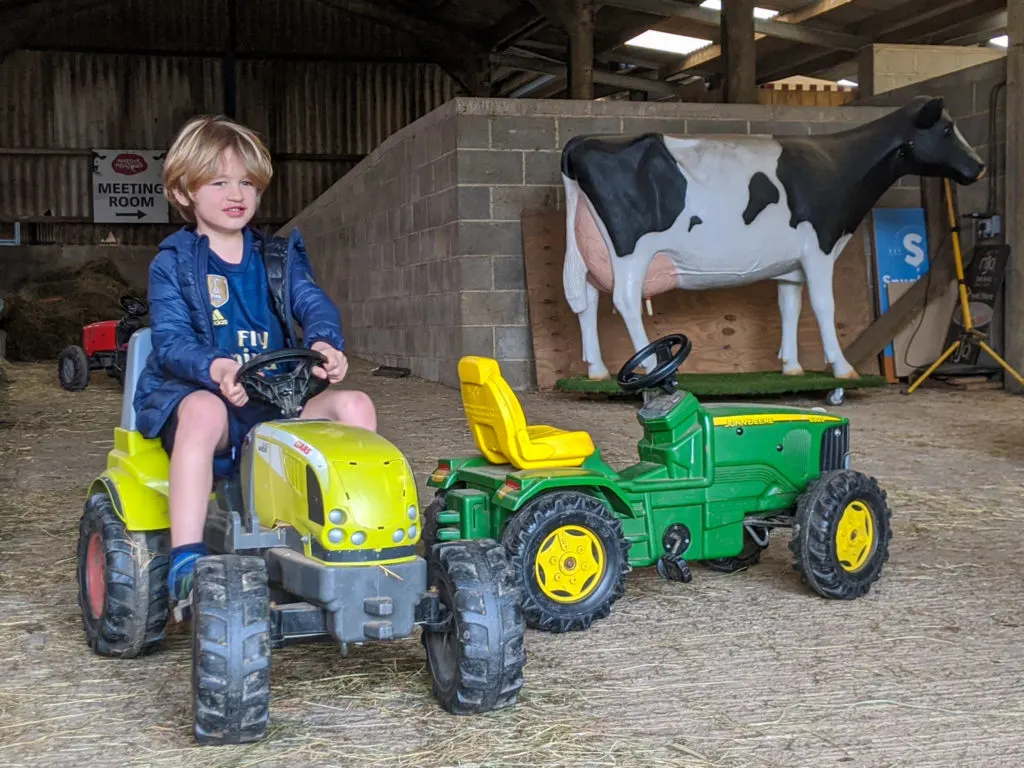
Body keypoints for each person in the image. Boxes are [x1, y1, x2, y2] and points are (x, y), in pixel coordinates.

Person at [132, 114, 377, 619]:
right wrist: (216, 367)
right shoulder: (173, 263)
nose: (236, 193)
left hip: (278, 393)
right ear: (184, 191)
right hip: (208, 395)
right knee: (202, 413)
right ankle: (186, 557)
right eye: (219, 181)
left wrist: (327, 343)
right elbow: (172, 341)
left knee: (354, 403)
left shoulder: (278, 256)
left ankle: (352, 535)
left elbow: (313, 303)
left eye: (247, 182)